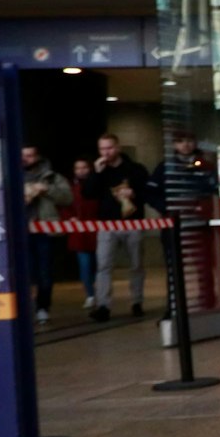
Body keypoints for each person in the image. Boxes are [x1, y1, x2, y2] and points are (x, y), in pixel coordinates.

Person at [87, 134, 154, 322]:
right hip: (107, 225)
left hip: (133, 223)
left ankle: (137, 302)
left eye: (109, 148)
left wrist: (134, 193)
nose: (106, 153)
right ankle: (103, 306)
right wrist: (96, 173)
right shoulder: (100, 170)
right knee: (103, 266)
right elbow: (89, 194)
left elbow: (148, 193)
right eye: (102, 149)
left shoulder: (136, 169)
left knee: (136, 264)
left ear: (118, 148)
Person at [155, 129, 218, 311]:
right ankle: (174, 306)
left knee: (204, 267)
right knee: (174, 267)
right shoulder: (165, 167)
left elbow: (215, 190)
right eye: (181, 141)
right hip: (174, 224)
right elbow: (151, 192)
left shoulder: (205, 166)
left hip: (199, 223)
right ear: (175, 145)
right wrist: (166, 208)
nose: (185, 145)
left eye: (189, 140)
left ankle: (207, 302)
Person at [19, 146, 71, 326]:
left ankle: (43, 307)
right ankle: (24, 308)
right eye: (23, 155)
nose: (26, 159)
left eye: (30, 155)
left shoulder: (52, 177)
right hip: (20, 231)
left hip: (44, 232)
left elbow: (67, 198)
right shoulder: (12, 175)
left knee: (45, 272)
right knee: (22, 272)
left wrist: (46, 190)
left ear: (38, 157)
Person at [67, 157, 100, 309]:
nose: (81, 171)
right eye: (77, 168)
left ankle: (100, 294)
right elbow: (65, 206)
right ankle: (90, 295)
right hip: (79, 234)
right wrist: (70, 217)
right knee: (84, 266)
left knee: (100, 266)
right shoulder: (70, 188)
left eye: (84, 167)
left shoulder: (97, 185)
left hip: (97, 231)